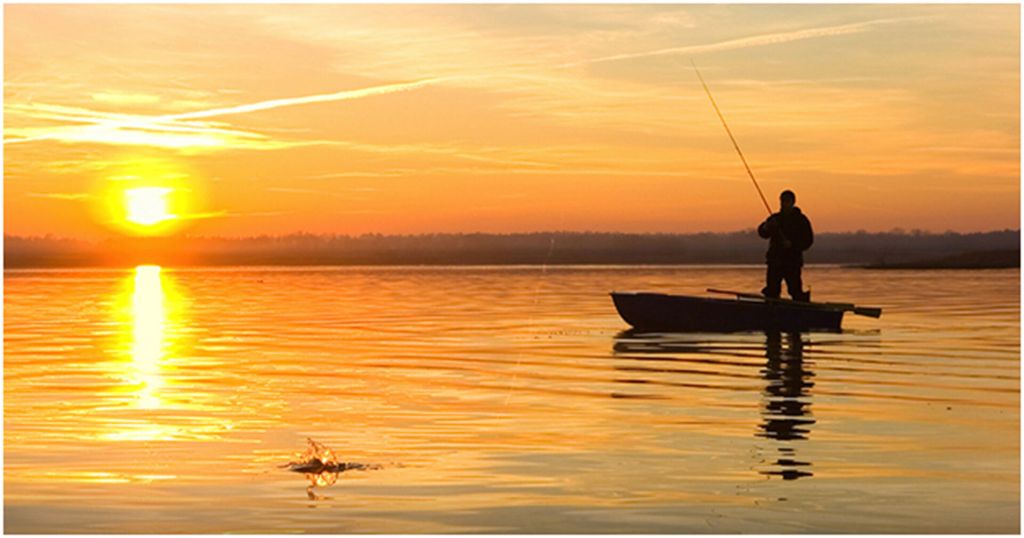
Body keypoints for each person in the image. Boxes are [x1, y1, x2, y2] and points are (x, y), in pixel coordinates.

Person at [757, 190, 813, 301]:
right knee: (772, 290)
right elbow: (762, 233)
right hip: (775, 261)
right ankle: (771, 311)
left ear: (793, 202)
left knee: (795, 291)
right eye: (782, 201)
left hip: (792, 262)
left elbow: (808, 241)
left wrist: (792, 245)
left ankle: (801, 311)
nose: (784, 204)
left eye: (787, 201)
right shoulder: (775, 218)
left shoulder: (801, 220)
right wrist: (766, 227)